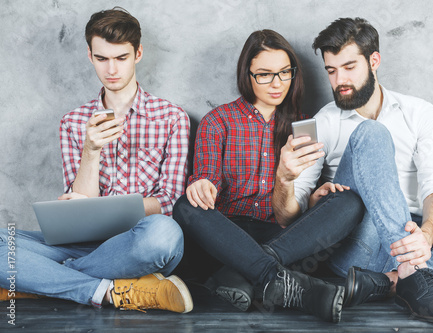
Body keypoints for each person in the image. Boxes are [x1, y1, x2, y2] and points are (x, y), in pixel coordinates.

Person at [277, 17, 433, 324]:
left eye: (349, 67)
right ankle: (415, 273)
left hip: (412, 232)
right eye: (331, 70)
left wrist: (425, 234)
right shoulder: (320, 123)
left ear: (374, 60)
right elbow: (287, 217)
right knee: (372, 133)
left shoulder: (419, 112)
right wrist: (284, 179)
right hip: (359, 243)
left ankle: (394, 280)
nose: (339, 79)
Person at [0, 7, 193, 313]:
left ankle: (41, 280)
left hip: (136, 242)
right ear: (89, 55)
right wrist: (91, 151)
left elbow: (169, 201)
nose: (111, 69)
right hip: (85, 243)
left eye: (121, 58)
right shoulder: (73, 122)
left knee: (165, 234)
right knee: (2, 242)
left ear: (138, 53)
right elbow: (80, 204)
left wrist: (114, 211)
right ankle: (104, 290)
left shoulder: (171, 117)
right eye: (102, 58)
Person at [173, 29, 365, 323]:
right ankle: (281, 282)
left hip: (281, 237)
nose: (277, 84)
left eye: (284, 73)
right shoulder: (218, 121)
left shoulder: (303, 126)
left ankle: (245, 274)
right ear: (246, 75)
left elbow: (293, 212)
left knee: (348, 201)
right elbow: (206, 179)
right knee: (185, 207)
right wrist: (201, 185)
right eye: (264, 75)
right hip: (226, 235)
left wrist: (312, 199)